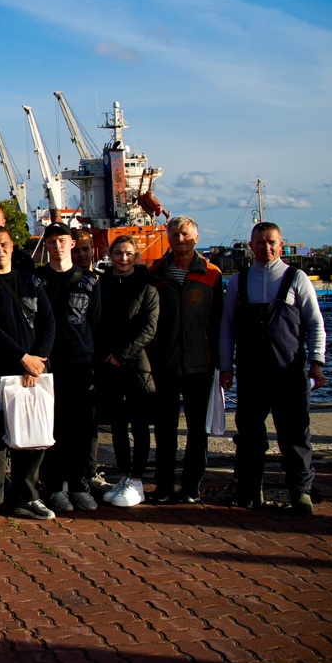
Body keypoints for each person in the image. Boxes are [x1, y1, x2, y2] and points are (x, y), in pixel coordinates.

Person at [220, 222, 327, 514]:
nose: (266, 247)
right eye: (260, 242)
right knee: (249, 436)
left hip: (289, 372)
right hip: (251, 374)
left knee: (296, 436)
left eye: (272, 242)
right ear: (250, 246)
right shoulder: (239, 281)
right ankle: (249, 490)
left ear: (281, 245)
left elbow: (315, 323)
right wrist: (226, 366)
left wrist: (317, 362)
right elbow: (227, 326)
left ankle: (300, 492)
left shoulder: (296, 278)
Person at [0, 226, 55, 525]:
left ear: (12, 246)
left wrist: (38, 360)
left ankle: (27, 496)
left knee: (32, 437)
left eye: (4, 245)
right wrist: (22, 359)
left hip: (32, 373)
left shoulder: (30, 280)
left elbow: (48, 322)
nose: (0, 250)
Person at [148, 215, 223, 505]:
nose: (180, 239)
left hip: (199, 365)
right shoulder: (157, 273)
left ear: (196, 238)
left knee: (197, 430)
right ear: (167, 238)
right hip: (164, 364)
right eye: (175, 235)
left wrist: (221, 364)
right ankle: (164, 485)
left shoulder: (212, 274)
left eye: (185, 234)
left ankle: (191, 485)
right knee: (164, 429)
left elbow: (218, 323)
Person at [35, 224, 103, 514]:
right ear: (46, 246)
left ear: (72, 243)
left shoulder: (90, 281)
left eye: (62, 240)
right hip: (47, 364)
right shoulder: (36, 279)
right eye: (52, 242)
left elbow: (96, 323)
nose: (57, 246)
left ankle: (79, 484)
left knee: (81, 428)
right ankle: (53, 486)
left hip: (80, 363)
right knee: (51, 427)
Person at [96, 235, 159, 508]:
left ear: (136, 256)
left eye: (129, 253)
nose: (123, 258)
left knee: (139, 424)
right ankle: (123, 476)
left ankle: (137, 479)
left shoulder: (147, 287)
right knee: (117, 425)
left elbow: (149, 328)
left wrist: (122, 354)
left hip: (135, 364)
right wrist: (104, 354)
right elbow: (95, 322)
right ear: (110, 254)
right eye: (118, 253)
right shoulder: (101, 284)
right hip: (108, 365)